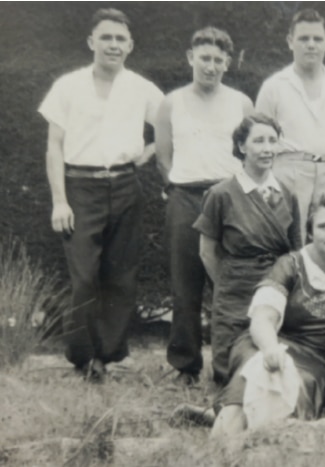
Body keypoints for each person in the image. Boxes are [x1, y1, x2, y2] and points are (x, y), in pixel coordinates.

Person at [173, 193, 325, 446]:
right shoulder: (290, 265)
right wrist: (271, 348)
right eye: (324, 226)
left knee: (296, 382)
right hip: (270, 340)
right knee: (258, 367)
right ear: (309, 232)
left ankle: (222, 421)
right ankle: (219, 447)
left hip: (324, 361)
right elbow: (263, 317)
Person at [38, 8, 163, 381]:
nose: (113, 45)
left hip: (126, 185)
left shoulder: (141, 88)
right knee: (84, 277)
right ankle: (82, 355)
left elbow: (173, 123)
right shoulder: (68, 85)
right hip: (80, 187)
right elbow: (54, 147)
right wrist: (60, 200)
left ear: (130, 45)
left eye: (120, 39)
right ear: (92, 42)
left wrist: (151, 151)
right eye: (106, 37)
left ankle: (107, 357)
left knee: (121, 276)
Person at [155, 27, 253, 385]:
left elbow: (250, 152)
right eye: (204, 58)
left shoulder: (242, 103)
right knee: (185, 283)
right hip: (185, 197)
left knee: (230, 282)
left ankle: (230, 363)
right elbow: (163, 158)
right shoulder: (171, 102)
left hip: (228, 197)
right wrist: (175, 188)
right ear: (190, 58)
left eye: (218, 60)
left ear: (228, 63)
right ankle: (185, 365)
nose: (210, 66)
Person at [193, 114, 302, 383]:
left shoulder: (287, 194)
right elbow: (207, 251)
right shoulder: (221, 194)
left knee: (273, 359)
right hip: (235, 289)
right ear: (242, 147)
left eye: (272, 141)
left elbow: (296, 250)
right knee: (230, 370)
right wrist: (227, 285)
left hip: (275, 286)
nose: (267, 149)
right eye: (259, 141)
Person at [256, 8, 325, 240]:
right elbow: (259, 137)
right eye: (303, 38)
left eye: (317, 39)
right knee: (288, 242)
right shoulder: (274, 86)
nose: (311, 45)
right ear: (291, 42)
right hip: (288, 171)